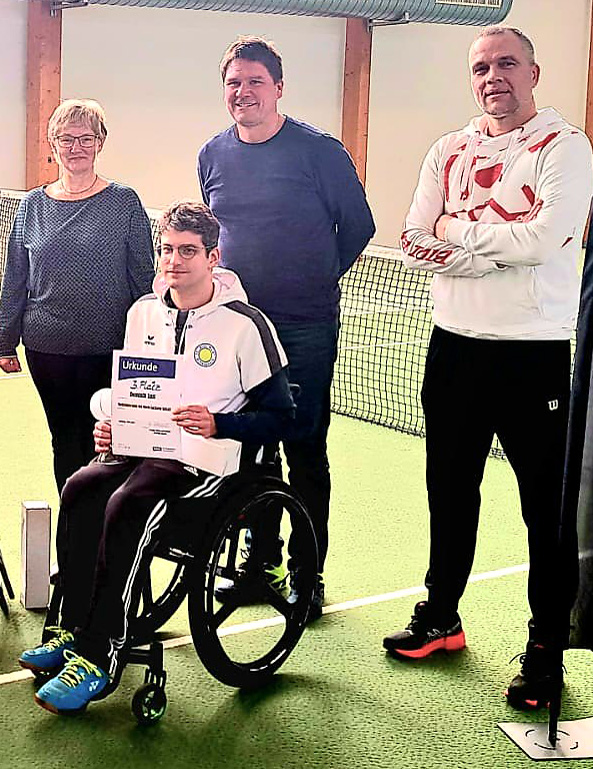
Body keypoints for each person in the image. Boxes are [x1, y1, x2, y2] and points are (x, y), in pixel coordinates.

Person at [18, 201, 294, 713]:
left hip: (207, 463)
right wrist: (113, 426)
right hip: (143, 448)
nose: (174, 261)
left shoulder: (246, 325)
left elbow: (284, 416)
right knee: (80, 486)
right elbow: (134, 392)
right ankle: (72, 629)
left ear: (214, 257)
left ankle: (100, 656)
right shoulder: (143, 312)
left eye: (188, 251)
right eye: (167, 249)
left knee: (130, 503)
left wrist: (222, 423)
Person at [387, 26, 593, 710]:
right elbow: (411, 233)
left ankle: (544, 649)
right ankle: (440, 614)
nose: (492, 75)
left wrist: (457, 234)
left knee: (544, 513)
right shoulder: (448, 148)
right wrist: (484, 249)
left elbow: (541, 240)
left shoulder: (564, 148)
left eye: (505, 63)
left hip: (531, 353)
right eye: (480, 66)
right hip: (451, 347)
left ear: (532, 71)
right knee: (448, 493)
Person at [196, 36, 375, 620]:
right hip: (239, 329)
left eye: (254, 82)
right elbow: (218, 237)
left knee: (304, 449)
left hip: (304, 328)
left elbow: (357, 226)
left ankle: (307, 574)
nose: (242, 92)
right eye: (233, 83)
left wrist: (315, 278)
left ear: (278, 88)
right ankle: (257, 565)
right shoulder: (213, 155)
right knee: (252, 446)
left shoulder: (319, 152)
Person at [0, 98, 155, 494]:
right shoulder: (32, 205)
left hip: (110, 349)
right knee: (65, 442)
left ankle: (107, 532)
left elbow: (143, 279)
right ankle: (73, 533)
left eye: (86, 138)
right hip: (47, 350)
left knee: (108, 444)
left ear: (101, 143)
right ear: (53, 145)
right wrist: (4, 342)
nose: (76, 147)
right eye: (66, 139)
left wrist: (152, 343)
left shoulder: (124, 202)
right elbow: (15, 277)